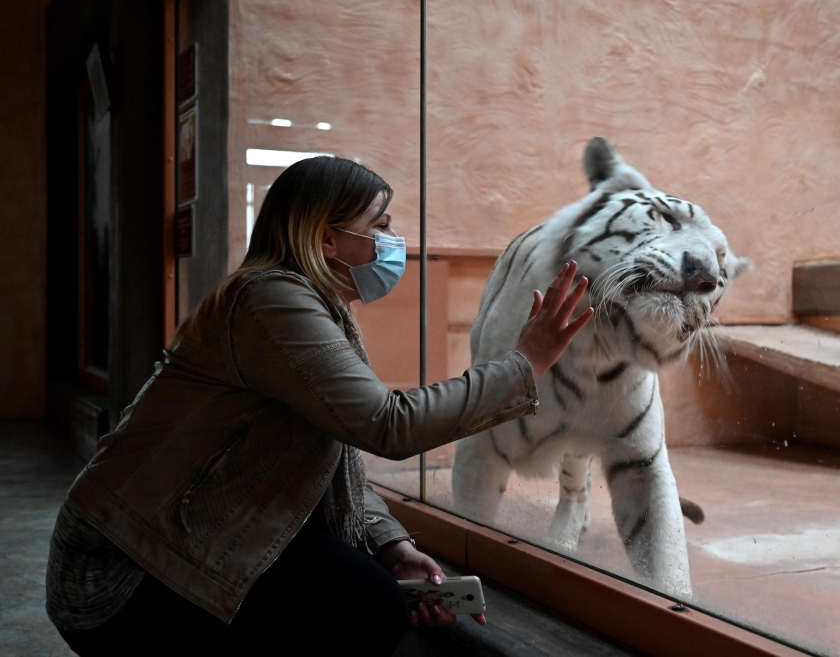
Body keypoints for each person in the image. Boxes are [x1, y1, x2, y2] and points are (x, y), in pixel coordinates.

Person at [46, 156, 594, 656]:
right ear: (327, 240)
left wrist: (390, 542)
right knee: (365, 605)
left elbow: (335, 453)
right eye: (379, 225)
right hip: (120, 573)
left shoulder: (311, 304)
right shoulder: (270, 301)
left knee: (369, 591)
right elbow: (386, 424)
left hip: (192, 533)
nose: (393, 239)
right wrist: (523, 363)